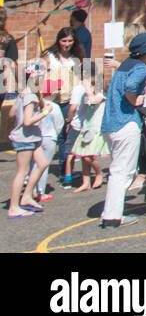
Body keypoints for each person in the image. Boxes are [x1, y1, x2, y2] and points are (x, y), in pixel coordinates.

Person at [99, 32, 146, 228]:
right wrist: (136, 99)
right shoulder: (141, 69)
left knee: (116, 170)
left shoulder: (127, 64)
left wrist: (143, 87)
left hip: (110, 124)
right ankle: (113, 216)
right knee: (124, 172)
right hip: (126, 123)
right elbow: (130, 86)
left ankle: (110, 213)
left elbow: (126, 82)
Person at [7, 62, 52, 218]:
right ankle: (13, 207)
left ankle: (26, 196)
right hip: (25, 138)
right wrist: (45, 112)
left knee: (43, 163)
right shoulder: (31, 96)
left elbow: (12, 113)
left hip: (32, 137)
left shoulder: (24, 93)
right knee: (22, 171)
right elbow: (27, 121)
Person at [44, 27, 83, 188]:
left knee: (66, 138)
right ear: (58, 41)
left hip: (69, 100)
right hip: (52, 100)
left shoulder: (76, 59)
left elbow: (81, 78)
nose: (66, 44)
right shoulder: (49, 56)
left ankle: (64, 171)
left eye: (69, 41)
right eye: (63, 41)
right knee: (54, 137)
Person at [70, 64, 108, 193]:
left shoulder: (101, 95)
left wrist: (86, 86)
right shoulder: (87, 94)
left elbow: (93, 100)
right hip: (86, 126)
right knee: (82, 155)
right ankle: (85, 182)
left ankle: (98, 173)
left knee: (87, 156)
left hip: (95, 129)